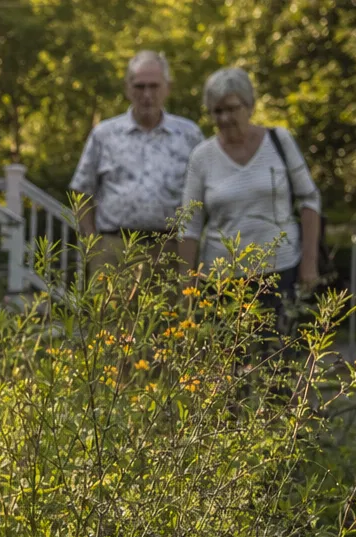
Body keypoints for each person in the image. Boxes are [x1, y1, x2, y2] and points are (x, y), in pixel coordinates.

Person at [178, 66, 322, 334]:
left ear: (250, 106)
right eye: (217, 111)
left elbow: (309, 200)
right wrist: (186, 290)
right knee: (227, 368)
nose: (224, 118)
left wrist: (309, 263)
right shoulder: (202, 157)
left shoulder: (279, 141)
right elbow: (189, 227)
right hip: (223, 282)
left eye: (232, 108)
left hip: (281, 272)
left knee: (278, 362)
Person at [70, 50, 204, 275]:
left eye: (154, 86)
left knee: (169, 311)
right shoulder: (104, 135)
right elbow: (81, 192)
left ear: (167, 88)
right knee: (110, 312)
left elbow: (203, 193)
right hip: (114, 249)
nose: (147, 94)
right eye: (140, 87)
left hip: (169, 249)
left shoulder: (189, 135)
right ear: (127, 88)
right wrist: (93, 244)